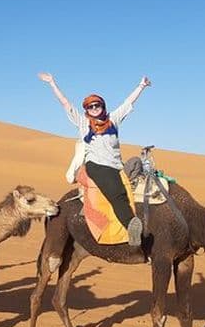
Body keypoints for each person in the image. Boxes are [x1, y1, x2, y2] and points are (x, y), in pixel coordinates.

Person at [38, 72, 151, 246]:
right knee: (117, 193)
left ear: (102, 106)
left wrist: (141, 86)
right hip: (97, 166)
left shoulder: (113, 119)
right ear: (87, 110)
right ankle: (131, 225)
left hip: (116, 165)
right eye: (90, 107)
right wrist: (52, 83)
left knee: (137, 167)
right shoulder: (83, 123)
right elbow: (66, 104)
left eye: (97, 105)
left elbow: (128, 102)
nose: (94, 108)